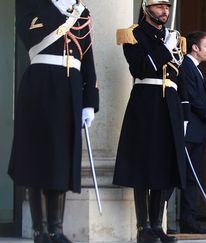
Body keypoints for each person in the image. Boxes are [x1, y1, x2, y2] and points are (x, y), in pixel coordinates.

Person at [8, 1, 99, 243]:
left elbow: (88, 57)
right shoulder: (31, 4)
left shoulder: (82, 12)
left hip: (70, 89)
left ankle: (56, 230)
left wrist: (90, 100)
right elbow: (31, 36)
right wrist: (59, 9)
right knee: (37, 159)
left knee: (62, 161)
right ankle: (40, 229)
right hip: (41, 84)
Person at [113, 0, 188, 242]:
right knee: (144, 166)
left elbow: (180, 78)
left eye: (167, 7)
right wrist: (165, 49)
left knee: (164, 165)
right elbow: (140, 68)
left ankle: (157, 225)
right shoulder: (133, 34)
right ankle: (142, 227)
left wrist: (184, 113)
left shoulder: (175, 37)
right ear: (147, 8)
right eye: (159, 7)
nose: (165, 11)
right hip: (146, 103)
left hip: (170, 105)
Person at [177, 31, 206, 234]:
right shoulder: (186, 66)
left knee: (190, 177)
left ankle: (187, 220)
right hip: (189, 131)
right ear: (195, 47)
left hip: (197, 132)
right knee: (182, 176)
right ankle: (159, 219)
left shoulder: (195, 68)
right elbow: (192, 98)